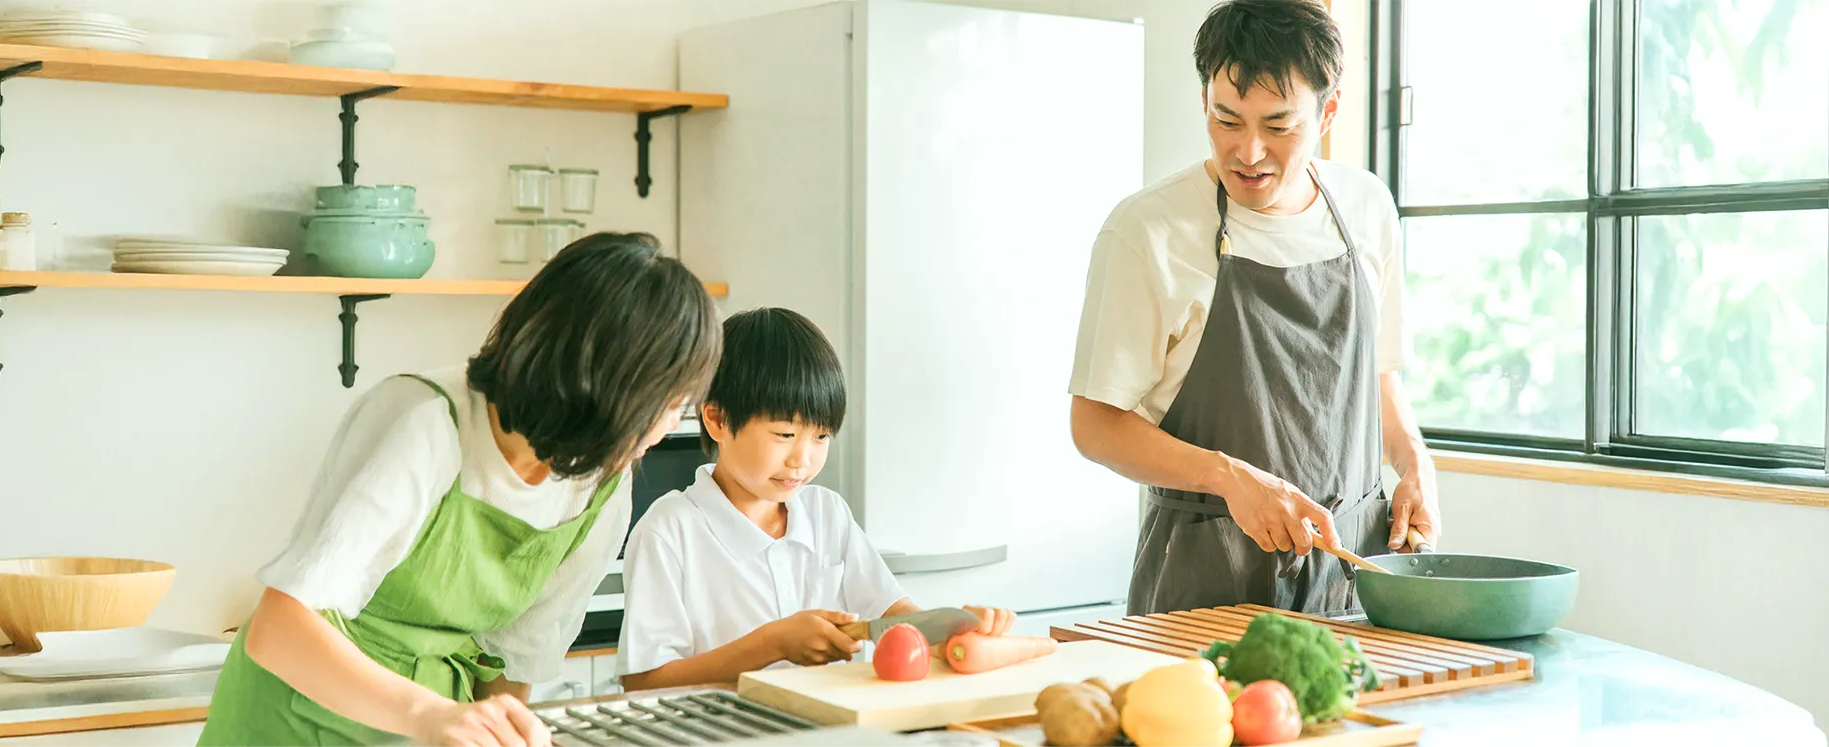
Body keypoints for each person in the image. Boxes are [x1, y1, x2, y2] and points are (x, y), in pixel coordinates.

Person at [198, 233, 722, 747]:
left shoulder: (601, 486)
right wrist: (430, 715)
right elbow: (280, 627)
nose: (661, 430)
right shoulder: (425, 422)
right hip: (290, 718)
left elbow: (513, 663)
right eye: (661, 405)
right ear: (597, 382)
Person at [1067, 0, 1441, 618]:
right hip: (1206, 581)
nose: (1247, 151)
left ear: (1329, 111)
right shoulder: (1147, 232)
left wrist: (1414, 465)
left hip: (1353, 576)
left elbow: (1378, 379)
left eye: (1278, 124)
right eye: (1226, 119)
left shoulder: (1367, 209)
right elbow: (1094, 424)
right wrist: (1230, 478)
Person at [616, 307, 1015, 691]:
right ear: (718, 420)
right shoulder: (669, 530)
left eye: (821, 436)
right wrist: (772, 644)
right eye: (784, 435)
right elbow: (643, 681)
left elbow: (891, 614)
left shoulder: (827, 513)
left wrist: (950, 629)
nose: (802, 461)